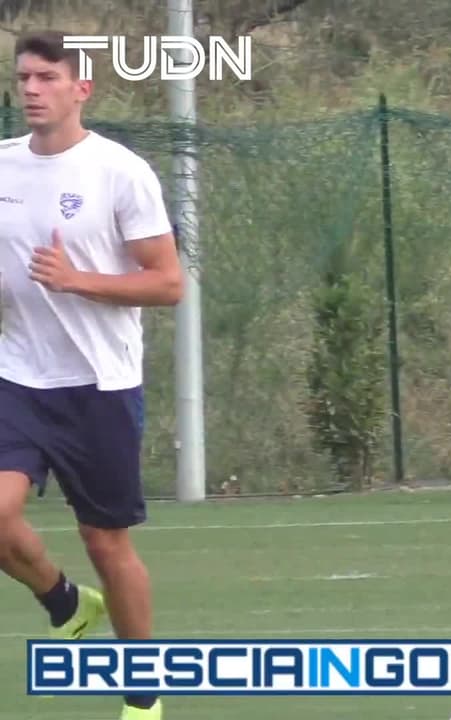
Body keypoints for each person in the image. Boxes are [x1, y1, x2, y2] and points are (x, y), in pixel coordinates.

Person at [1, 30, 183, 720]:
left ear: (81, 89)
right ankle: (64, 602)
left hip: (99, 386)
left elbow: (167, 283)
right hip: (16, 377)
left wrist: (78, 280)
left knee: (105, 541)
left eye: (47, 77)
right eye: (24, 77)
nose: (32, 89)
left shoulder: (120, 172)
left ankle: (144, 694)